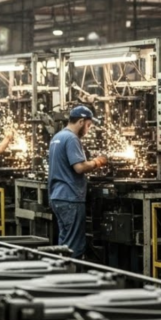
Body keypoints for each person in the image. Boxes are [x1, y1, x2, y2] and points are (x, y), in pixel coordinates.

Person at [46, 106, 108, 259]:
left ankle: (60, 272)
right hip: (70, 197)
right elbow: (79, 167)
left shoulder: (57, 137)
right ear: (81, 121)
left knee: (65, 243)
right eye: (88, 125)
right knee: (74, 247)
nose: (88, 130)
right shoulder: (72, 138)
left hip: (57, 196)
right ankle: (70, 278)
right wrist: (98, 162)